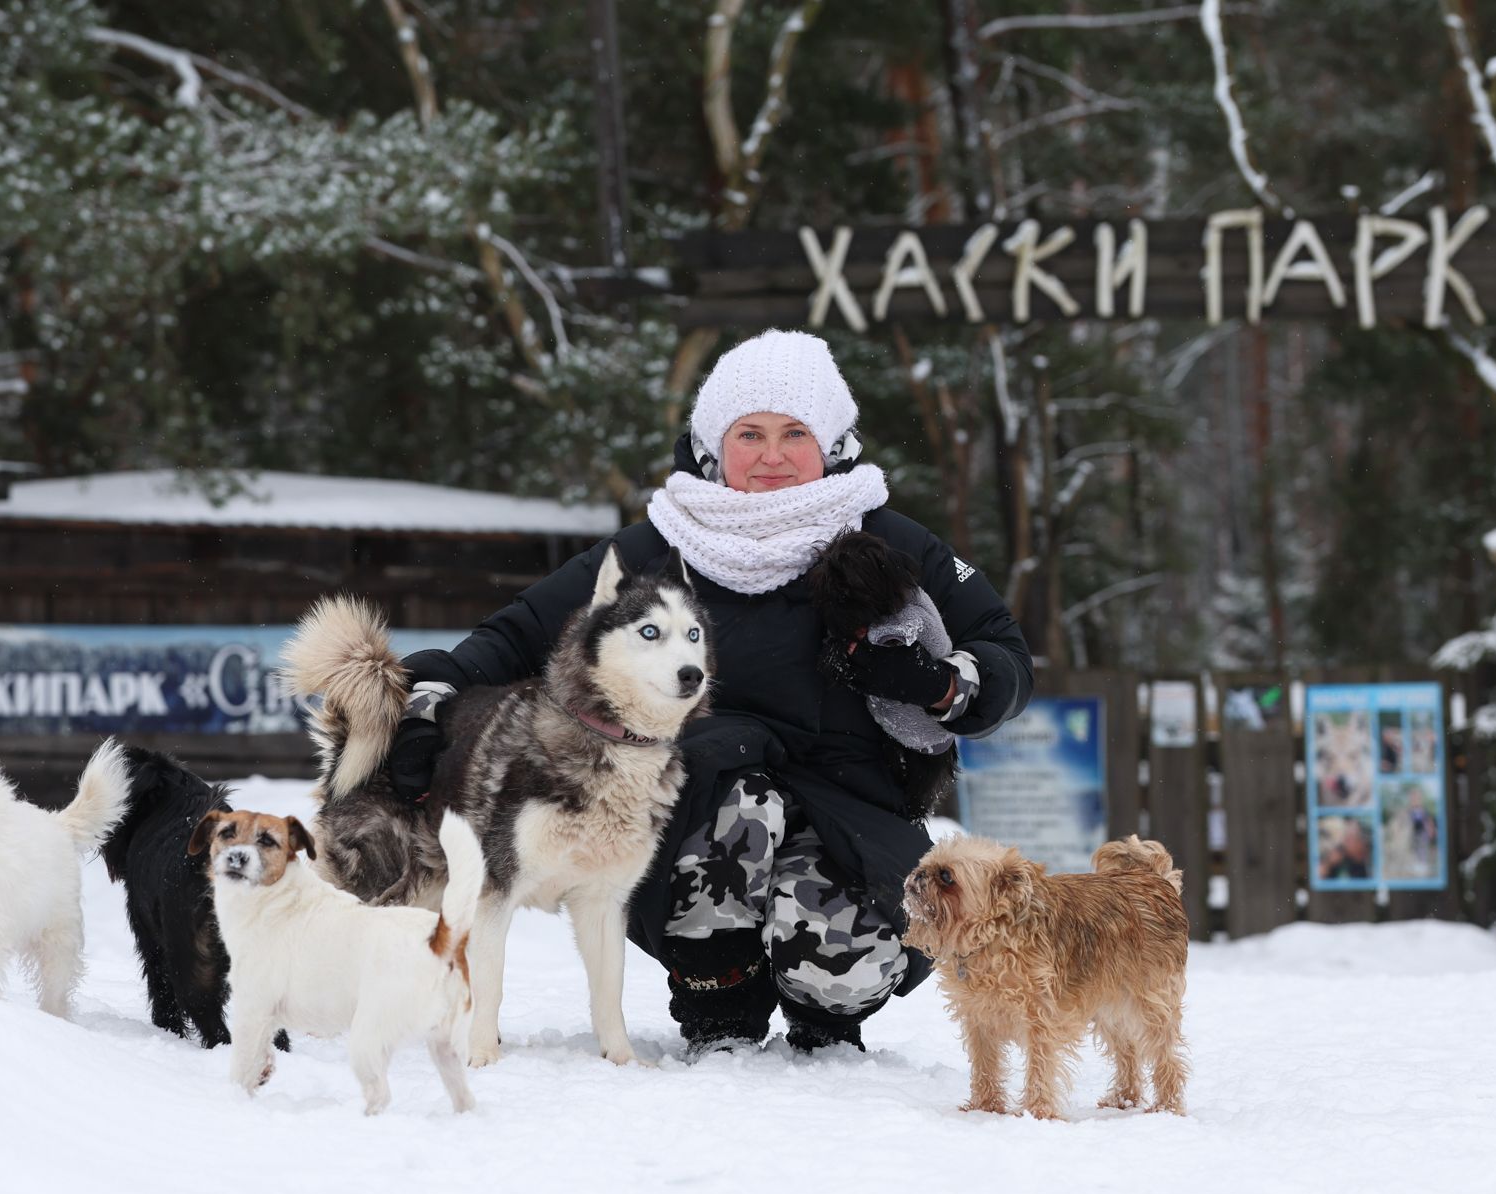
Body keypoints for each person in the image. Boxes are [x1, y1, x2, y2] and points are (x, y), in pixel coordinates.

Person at [391, 329, 1033, 1056]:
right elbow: (512, 639)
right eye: (749, 434)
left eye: (795, 434)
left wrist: (941, 682)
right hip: (694, 809)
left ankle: (827, 1021)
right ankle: (717, 1001)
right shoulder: (654, 549)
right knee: (740, 805)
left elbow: (1004, 652)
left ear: (832, 444)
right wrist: (428, 696)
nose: (771, 455)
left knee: (839, 971)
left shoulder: (893, 542)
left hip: (855, 811)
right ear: (711, 445)